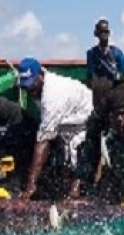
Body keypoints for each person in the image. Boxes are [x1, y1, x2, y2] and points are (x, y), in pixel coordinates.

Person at [18, 57, 94, 199]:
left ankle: (78, 192)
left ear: (41, 75)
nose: (30, 89)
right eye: (26, 86)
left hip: (85, 121)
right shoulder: (36, 89)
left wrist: (31, 185)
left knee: (75, 157)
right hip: (65, 123)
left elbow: (43, 142)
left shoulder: (52, 96)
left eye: (32, 84)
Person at [86, 17, 124, 89]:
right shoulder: (92, 53)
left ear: (109, 33)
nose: (104, 34)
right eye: (101, 32)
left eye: (106, 32)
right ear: (97, 34)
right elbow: (91, 75)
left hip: (114, 87)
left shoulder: (116, 52)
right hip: (99, 89)